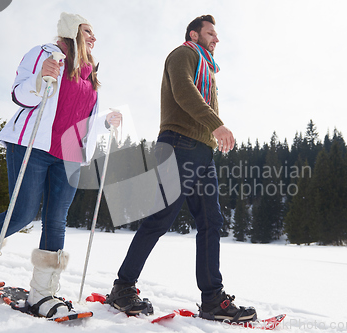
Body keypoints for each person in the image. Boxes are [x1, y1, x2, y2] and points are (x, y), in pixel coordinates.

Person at [0, 12, 120, 319]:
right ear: (72, 32)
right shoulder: (46, 55)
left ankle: (42, 294)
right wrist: (40, 79)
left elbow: (80, 120)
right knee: (21, 212)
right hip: (33, 145)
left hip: (70, 152)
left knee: (56, 220)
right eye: (88, 31)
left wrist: (105, 123)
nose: (93, 38)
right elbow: (20, 94)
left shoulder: (91, 75)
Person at [105, 15, 257, 323]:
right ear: (194, 34)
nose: (216, 39)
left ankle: (213, 299)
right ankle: (123, 288)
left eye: (217, 34)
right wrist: (217, 125)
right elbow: (184, 92)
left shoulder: (208, 68)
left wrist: (211, 135)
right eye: (210, 33)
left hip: (202, 151)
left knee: (212, 221)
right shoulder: (183, 54)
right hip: (178, 145)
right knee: (160, 218)